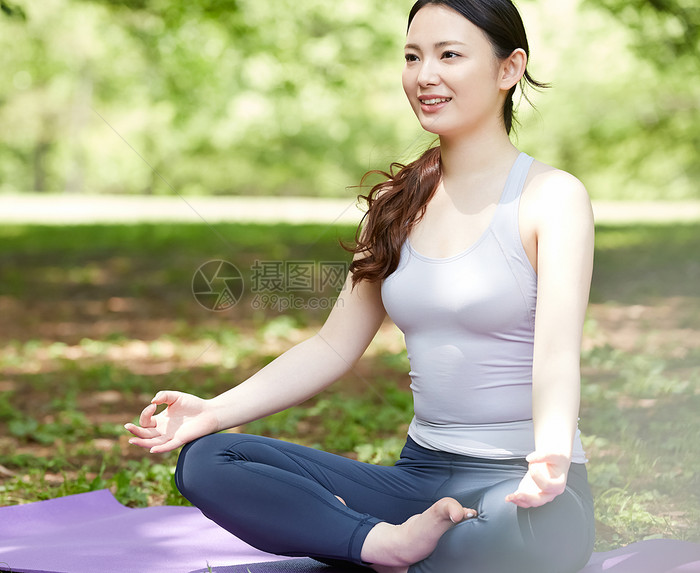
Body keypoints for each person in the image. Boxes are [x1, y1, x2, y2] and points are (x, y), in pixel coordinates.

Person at [126, 0, 596, 571]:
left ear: (508, 69)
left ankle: (378, 543)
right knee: (209, 460)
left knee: (524, 533)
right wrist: (212, 412)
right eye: (412, 57)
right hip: (419, 476)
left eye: (450, 55)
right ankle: (385, 546)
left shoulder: (552, 198)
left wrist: (548, 456)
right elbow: (332, 346)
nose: (425, 75)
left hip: (520, 483)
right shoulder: (396, 207)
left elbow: (554, 355)